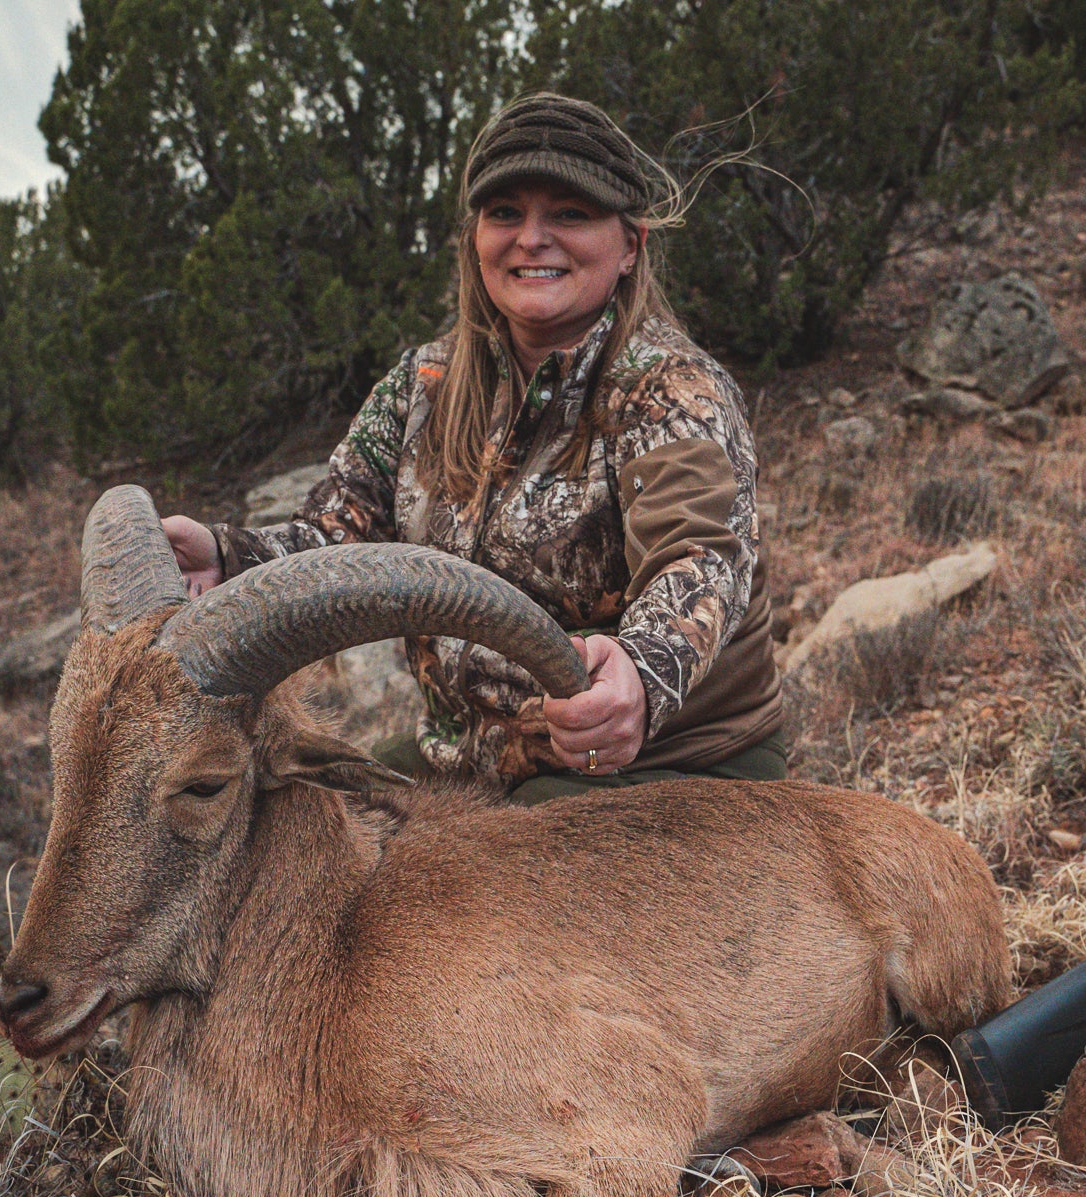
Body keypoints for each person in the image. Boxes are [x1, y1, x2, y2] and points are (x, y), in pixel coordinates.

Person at [162, 93, 782, 805]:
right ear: (474, 238)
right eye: (505, 213)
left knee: (489, 900)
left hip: (657, 760)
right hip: (474, 758)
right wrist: (226, 557)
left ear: (631, 244)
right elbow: (336, 536)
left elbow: (697, 558)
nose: (532, 238)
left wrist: (640, 677)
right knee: (296, 815)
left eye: (571, 214)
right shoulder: (421, 386)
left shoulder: (674, 388)